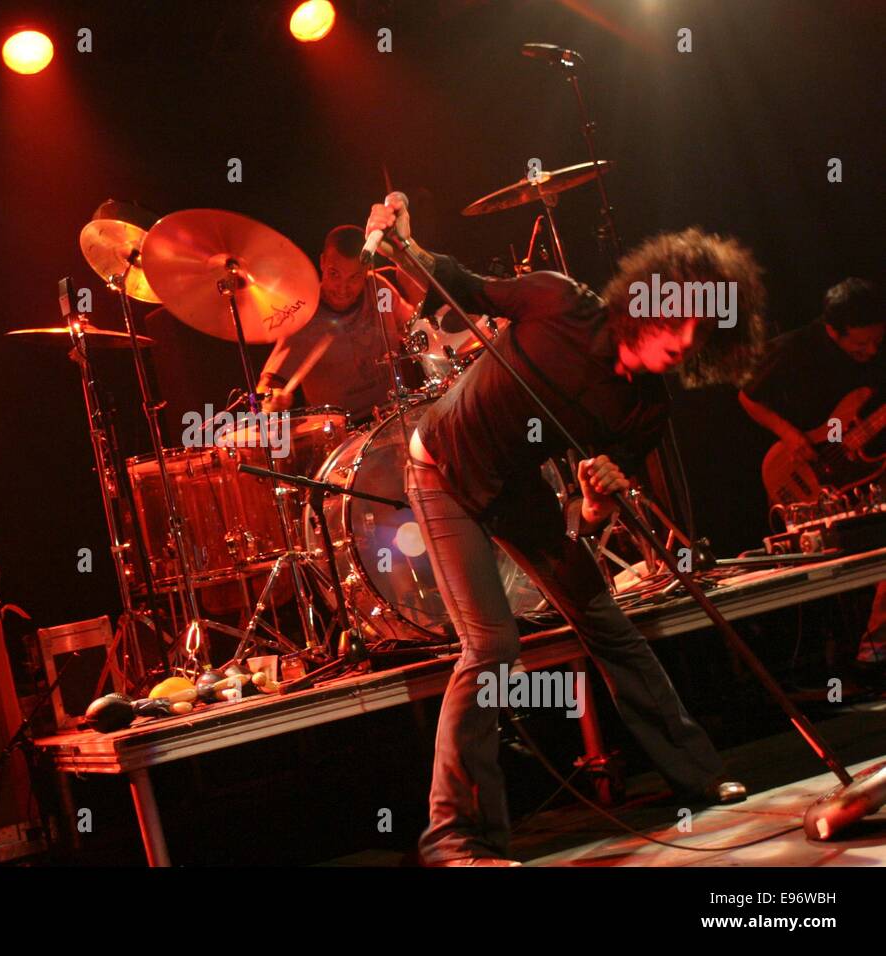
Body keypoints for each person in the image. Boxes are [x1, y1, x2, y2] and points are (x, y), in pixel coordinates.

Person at [366, 193, 766, 865]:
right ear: (648, 302)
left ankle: (698, 776)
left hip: (515, 489)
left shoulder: (644, 409)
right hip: (442, 472)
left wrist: (595, 500)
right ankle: (455, 842)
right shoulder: (559, 302)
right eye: (680, 321)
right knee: (492, 648)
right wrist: (404, 241)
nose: (685, 342)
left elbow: (587, 521)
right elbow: (459, 285)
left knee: (607, 622)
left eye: (701, 334)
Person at [739, 278, 886, 674]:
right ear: (833, 331)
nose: (870, 351)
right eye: (860, 345)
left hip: (860, 464)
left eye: (876, 342)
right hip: (810, 468)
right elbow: (747, 394)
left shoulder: (875, 352)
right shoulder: (796, 347)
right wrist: (791, 435)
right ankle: (843, 662)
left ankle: (875, 649)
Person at [258, 225, 412, 419]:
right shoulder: (306, 315)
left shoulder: (379, 291)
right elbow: (270, 383)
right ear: (322, 262)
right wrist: (272, 398)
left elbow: (411, 328)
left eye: (354, 277)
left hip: (395, 413)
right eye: (334, 274)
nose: (342, 288)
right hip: (343, 433)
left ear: (367, 268)